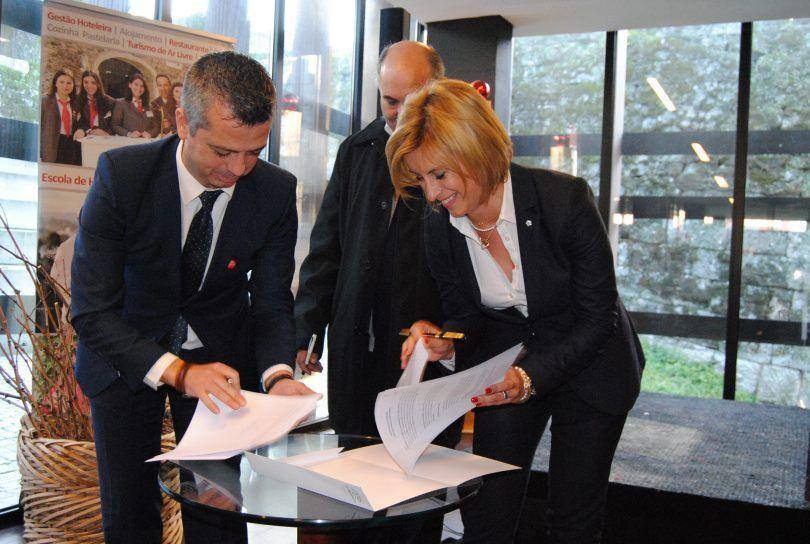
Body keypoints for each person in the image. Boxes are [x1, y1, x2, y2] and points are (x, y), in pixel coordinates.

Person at [71, 51, 313, 544]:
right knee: (131, 514)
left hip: (220, 361)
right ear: (183, 122)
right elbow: (91, 311)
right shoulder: (123, 175)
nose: (238, 168)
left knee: (218, 513)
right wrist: (179, 372)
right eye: (223, 152)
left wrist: (279, 375)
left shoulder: (274, 191)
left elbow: (270, 302)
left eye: (253, 152)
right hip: (126, 352)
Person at [390, 79, 645, 544]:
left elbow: (598, 319)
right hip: (506, 371)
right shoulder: (439, 225)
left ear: (476, 149)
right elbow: (465, 316)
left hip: (593, 364)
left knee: (572, 522)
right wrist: (445, 341)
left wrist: (530, 377)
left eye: (439, 175)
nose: (431, 194)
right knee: (486, 514)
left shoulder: (564, 200)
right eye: (420, 179)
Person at [294, 41, 456, 440]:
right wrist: (307, 330)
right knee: (352, 457)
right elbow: (326, 250)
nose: (399, 113)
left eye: (411, 100)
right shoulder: (356, 151)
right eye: (390, 101)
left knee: (423, 462)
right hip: (354, 347)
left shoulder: (454, 157)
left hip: (422, 353)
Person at [40, 68, 81, 165]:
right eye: (62, 82)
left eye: (69, 83)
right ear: (55, 83)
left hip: (70, 146)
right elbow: (40, 128)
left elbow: (79, 123)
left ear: (73, 85)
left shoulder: (76, 103)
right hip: (52, 147)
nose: (65, 86)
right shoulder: (45, 102)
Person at [111, 72, 158, 138]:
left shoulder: (149, 106)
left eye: (142, 86)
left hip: (145, 141)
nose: (139, 88)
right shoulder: (121, 103)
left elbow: (156, 127)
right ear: (130, 85)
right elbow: (115, 125)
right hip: (128, 141)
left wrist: (150, 134)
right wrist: (128, 134)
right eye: (136, 85)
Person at [74, 70, 115, 138]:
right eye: (86, 82)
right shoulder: (78, 100)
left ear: (98, 84)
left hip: (106, 138)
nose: (89, 86)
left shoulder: (110, 101)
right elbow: (78, 121)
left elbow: (115, 123)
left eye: (93, 83)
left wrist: (106, 132)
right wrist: (87, 130)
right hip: (86, 138)